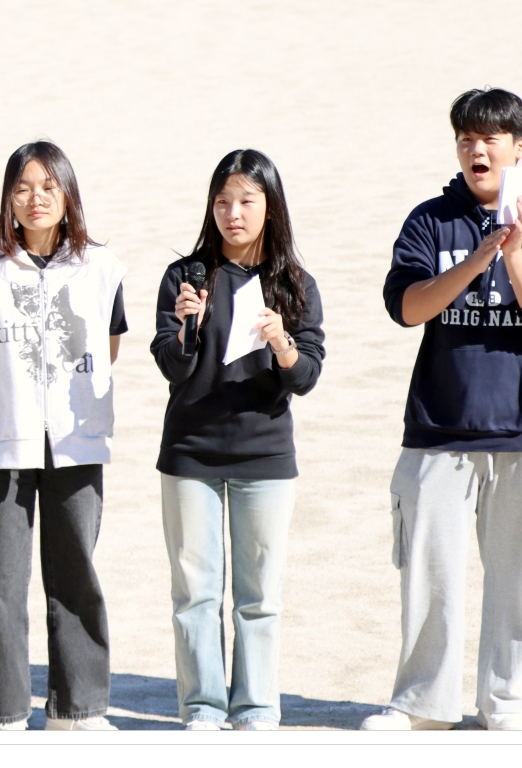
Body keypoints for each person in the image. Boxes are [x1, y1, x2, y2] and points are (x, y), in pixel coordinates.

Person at [361, 88, 522, 733]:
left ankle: (504, 704)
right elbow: (407, 308)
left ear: (518, 147)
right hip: (438, 427)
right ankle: (422, 705)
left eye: (489, 139)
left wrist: (511, 252)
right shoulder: (430, 220)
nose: (476, 150)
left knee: (518, 578)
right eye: (465, 139)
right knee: (430, 577)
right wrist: (478, 258)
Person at [0, 141, 128, 731]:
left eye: (48, 186)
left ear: (69, 194)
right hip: (0, 443)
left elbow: (109, 345)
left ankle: (78, 710)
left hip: (76, 440)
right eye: (22, 188)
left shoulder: (101, 267)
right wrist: (0, 399)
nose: (35, 198)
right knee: (2, 582)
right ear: (7, 198)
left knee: (76, 573)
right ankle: (5, 714)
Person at [150, 149, 326, 731]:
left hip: (265, 455)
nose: (233, 213)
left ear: (270, 207)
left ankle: (255, 708)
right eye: (223, 201)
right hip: (190, 453)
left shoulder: (294, 284)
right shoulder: (186, 277)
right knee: (195, 592)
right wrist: (187, 328)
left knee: (259, 596)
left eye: (247, 201)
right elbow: (172, 366)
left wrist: (282, 342)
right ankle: (202, 707)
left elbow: (306, 376)